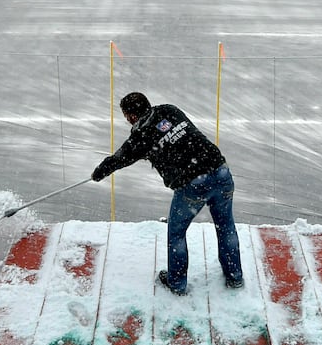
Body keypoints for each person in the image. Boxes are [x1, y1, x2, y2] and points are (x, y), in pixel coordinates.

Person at [92, 91, 244, 295]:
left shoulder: (141, 138)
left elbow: (121, 157)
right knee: (226, 226)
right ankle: (235, 277)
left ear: (132, 117)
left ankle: (177, 283)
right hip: (221, 171)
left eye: (126, 116)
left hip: (193, 185)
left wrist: (100, 172)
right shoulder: (169, 110)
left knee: (176, 233)